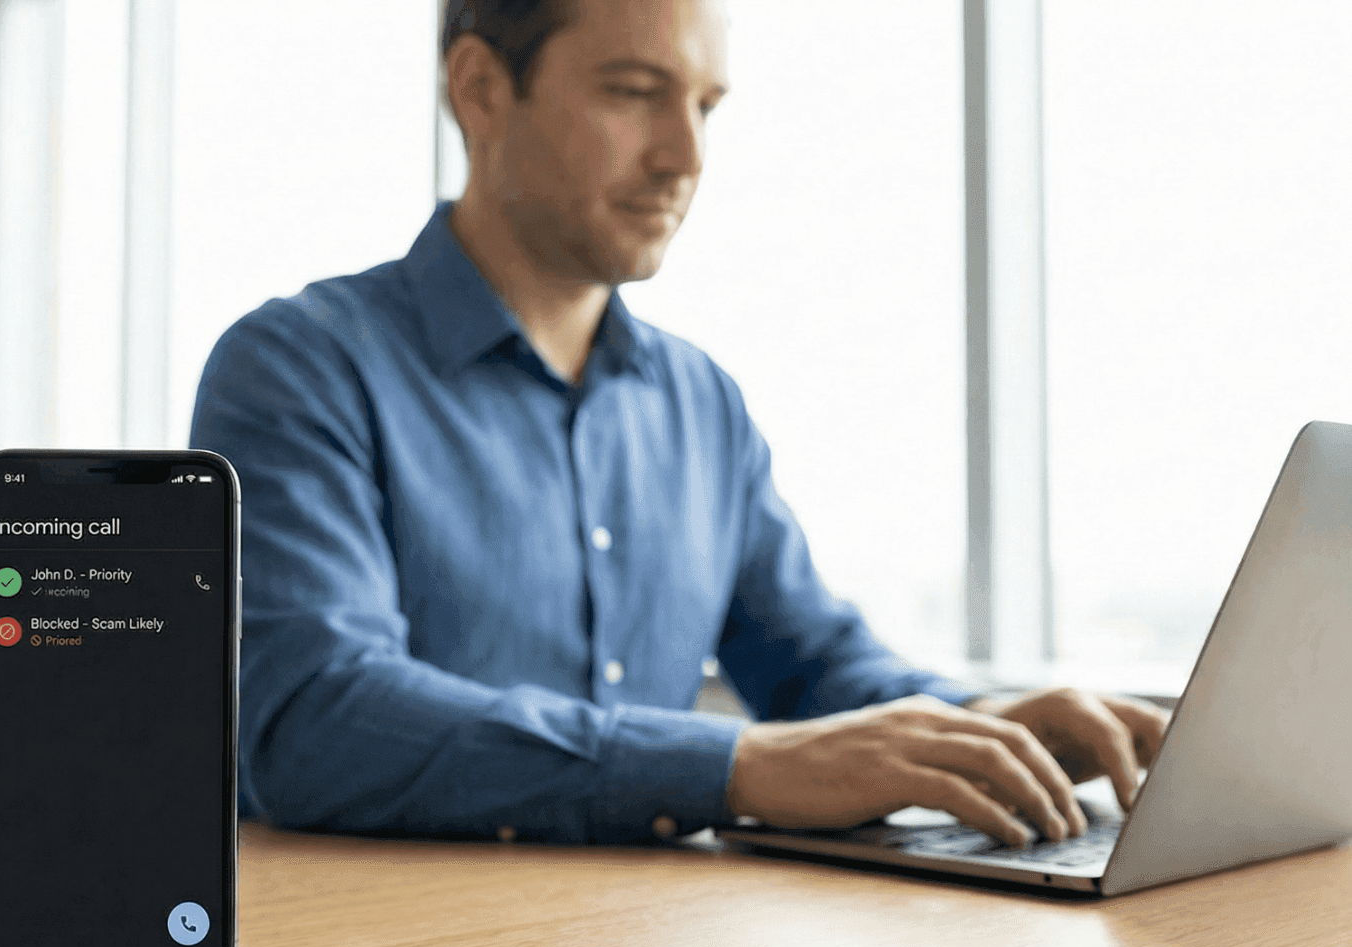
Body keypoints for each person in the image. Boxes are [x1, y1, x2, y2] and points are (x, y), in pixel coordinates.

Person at [190, 0, 1170, 850]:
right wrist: (735, 767)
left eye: (704, 105)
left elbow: (819, 668)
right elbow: (314, 723)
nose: (684, 157)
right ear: (481, 89)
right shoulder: (297, 368)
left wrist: (986, 725)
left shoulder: (703, 404)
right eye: (631, 92)